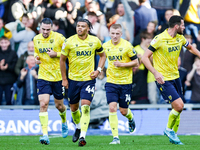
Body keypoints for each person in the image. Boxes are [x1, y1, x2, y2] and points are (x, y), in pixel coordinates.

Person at [141, 15, 200, 145]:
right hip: (163, 78)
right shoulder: (159, 39)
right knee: (179, 105)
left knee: (178, 108)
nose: (184, 27)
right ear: (176, 26)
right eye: (183, 25)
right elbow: (144, 58)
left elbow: (190, 48)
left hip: (176, 77)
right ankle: (168, 130)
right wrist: (155, 73)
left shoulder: (180, 38)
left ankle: (174, 137)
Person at [60, 18, 106, 147]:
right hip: (73, 80)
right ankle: (78, 127)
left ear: (88, 28)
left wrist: (98, 70)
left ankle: (82, 136)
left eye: (82, 26)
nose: (79, 28)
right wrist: (64, 79)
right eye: (78, 26)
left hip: (88, 79)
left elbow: (103, 56)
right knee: (74, 109)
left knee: (85, 107)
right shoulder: (69, 42)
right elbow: (62, 60)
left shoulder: (95, 41)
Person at [33, 18, 68, 145]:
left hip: (58, 76)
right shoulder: (36, 39)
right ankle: (45, 135)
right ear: (40, 28)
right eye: (43, 29)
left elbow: (68, 52)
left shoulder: (60, 38)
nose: (46, 32)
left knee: (59, 106)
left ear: (52, 28)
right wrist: (36, 59)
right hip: (43, 76)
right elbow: (36, 53)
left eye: (48, 29)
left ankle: (64, 121)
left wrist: (57, 54)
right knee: (43, 104)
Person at [103, 24, 139, 144]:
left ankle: (130, 117)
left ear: (121, 34)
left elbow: (136, 63)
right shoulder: (105, 46)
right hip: (111, 82)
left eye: (117, 33)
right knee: (112, 107)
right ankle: (115, 138)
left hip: (125, 83)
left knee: (123, 111)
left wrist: (122, 64)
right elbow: (102, 59)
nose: (114, 36)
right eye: (112, 33)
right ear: (109, 33)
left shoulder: (127, 46)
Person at [0, 36, 18, 105]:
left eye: (5, 42)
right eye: (2, 42)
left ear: (9, 43)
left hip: (9, 81)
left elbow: (15, 66)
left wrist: (7, 67)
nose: (4, 44)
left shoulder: (13, 53)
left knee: (9, 101)